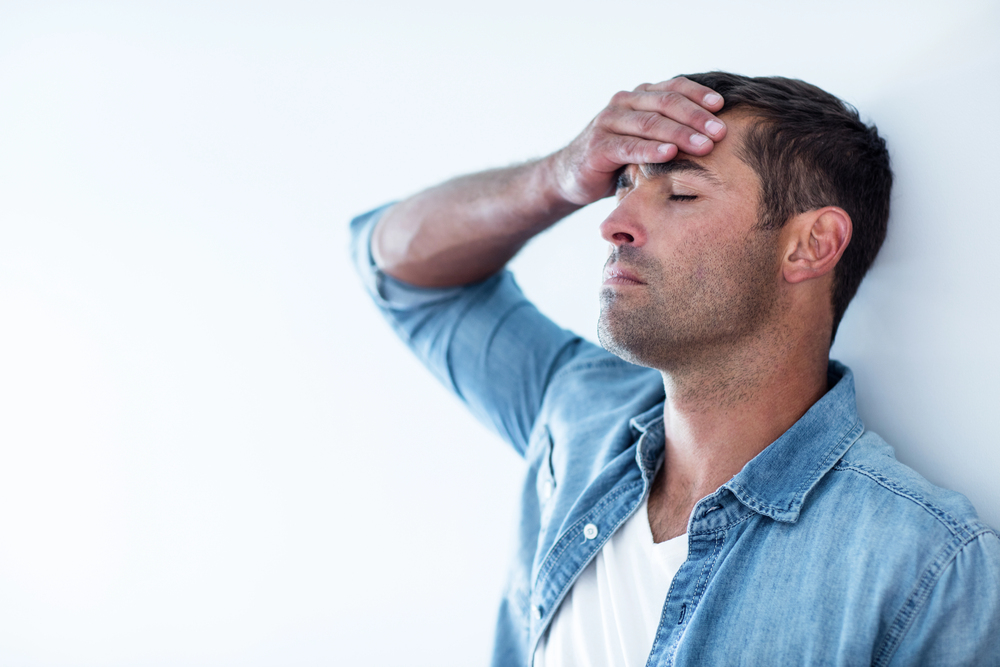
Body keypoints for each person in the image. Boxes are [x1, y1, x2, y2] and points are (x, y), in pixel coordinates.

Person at [349, 72, 1000, 665]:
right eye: (624, 186)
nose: (613, 223)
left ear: (811, 244)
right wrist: (560, 176)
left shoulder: (926, 566)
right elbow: (399, 271)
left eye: (681, 192)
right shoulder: (579, 410)